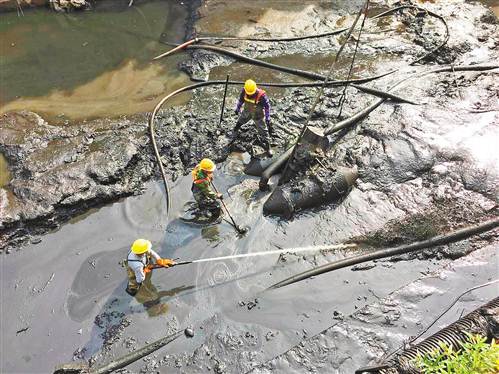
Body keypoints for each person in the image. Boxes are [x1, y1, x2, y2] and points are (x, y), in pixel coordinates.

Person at [234, 79, 275, 156]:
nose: (249, 95)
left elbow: (267, 107)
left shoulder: (261, 95)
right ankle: (235, 130)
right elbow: (241, 100)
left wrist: (267, 117)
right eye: (248, 93)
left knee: (263, 130)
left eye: (251, 93)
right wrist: (237, 108)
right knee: (241, 120)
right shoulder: (244, 91)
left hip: (258, 114)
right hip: (247, 111)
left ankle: (268, 147)